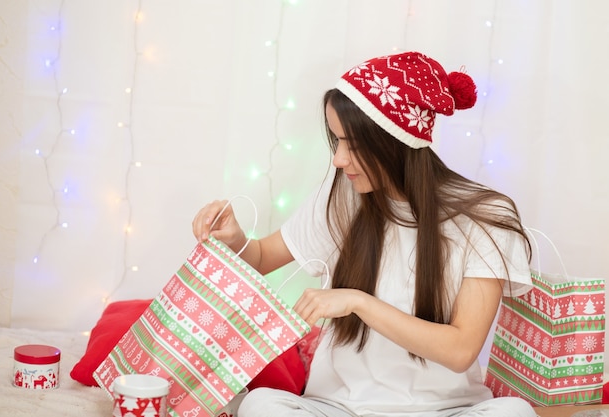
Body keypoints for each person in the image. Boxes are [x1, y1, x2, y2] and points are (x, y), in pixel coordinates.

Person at [192, 51, 536, 417]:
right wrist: (232, 239)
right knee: (260, 405)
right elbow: (260, 258)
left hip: (446, 410)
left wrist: (359, 301)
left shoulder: (486, 215)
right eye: (337, 141)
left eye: (353, 146)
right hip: (338, 408)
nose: (339, 159)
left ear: (396, 142)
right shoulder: (340, 197)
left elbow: (461, 349)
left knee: (513, 412)